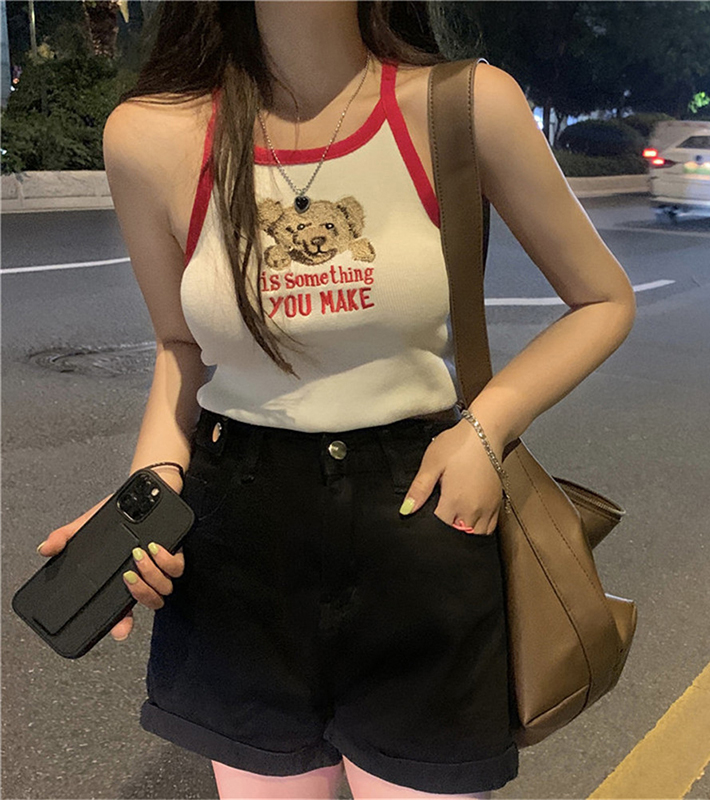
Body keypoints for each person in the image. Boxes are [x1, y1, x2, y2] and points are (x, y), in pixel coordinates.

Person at [36, 1, 637, 797]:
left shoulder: (463, 106)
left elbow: (603, 300)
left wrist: (487, 429)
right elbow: (180, 346)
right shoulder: (150, 137)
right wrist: (148, 496)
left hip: (420, 519)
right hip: (234, 542)